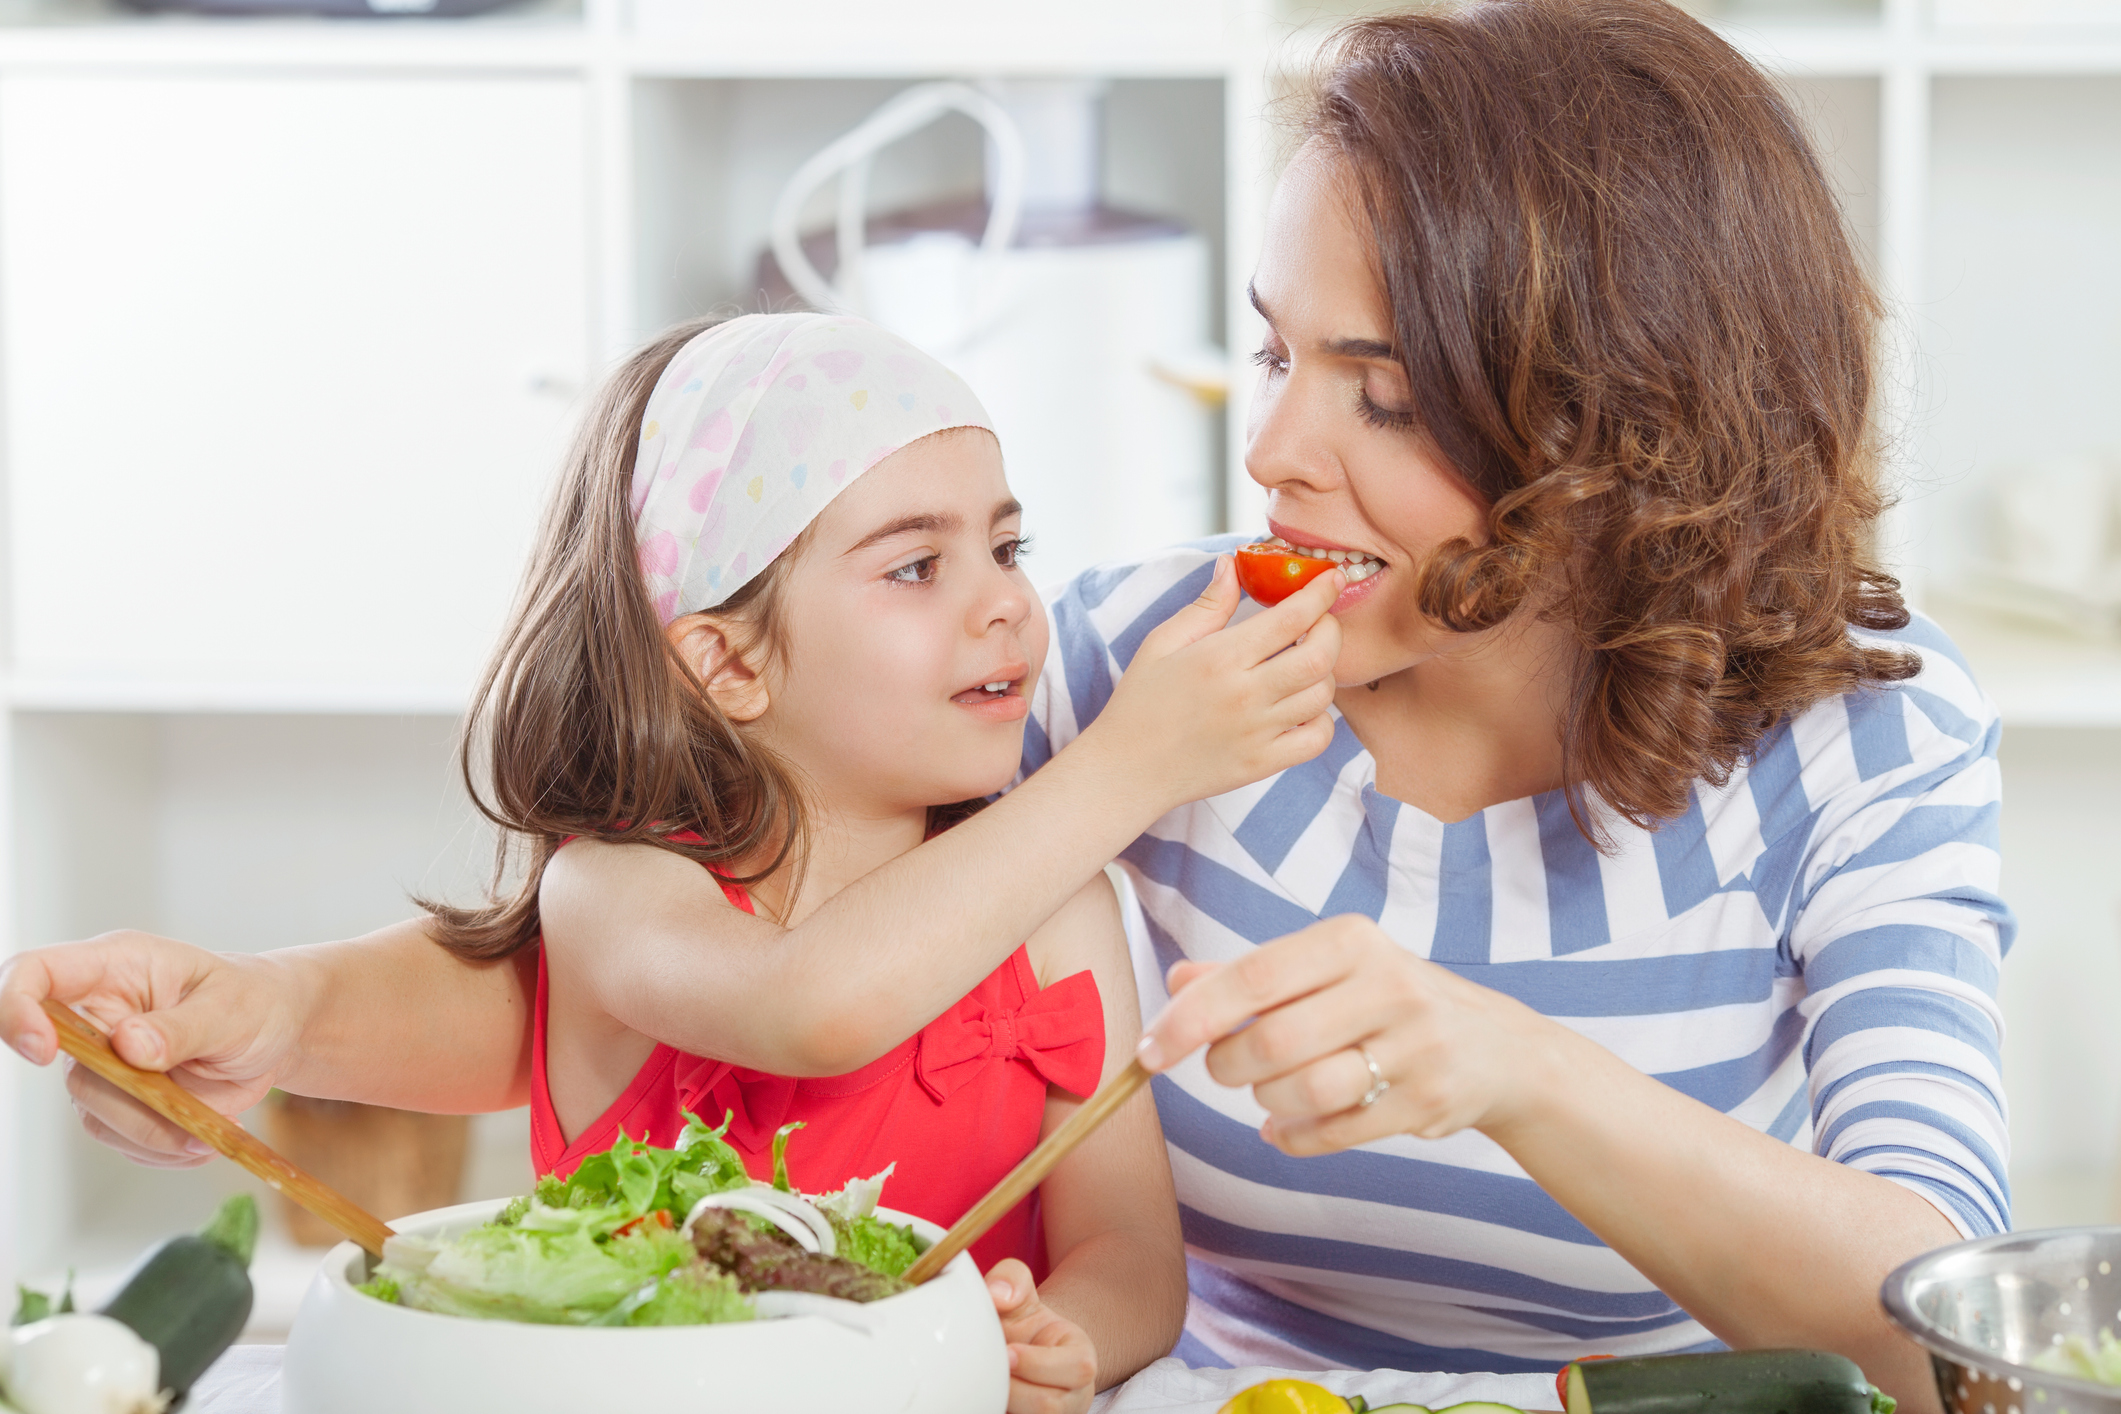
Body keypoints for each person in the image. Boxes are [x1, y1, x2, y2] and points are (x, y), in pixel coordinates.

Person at [3, 3, 2006, 1408]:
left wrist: (1521, 1070)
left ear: (1623, 432)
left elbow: (1956, 1343)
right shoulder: (1126, 670)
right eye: (1272, 354)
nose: (1280, 450)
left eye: (1380, 393)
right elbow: (668, 953)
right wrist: (265, 1010)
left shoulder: (1866, 745)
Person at [1, 310, 1350, 1414]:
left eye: (1004, 545)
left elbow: (1127, 1253)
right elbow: (811, 1006)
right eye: (912, 567)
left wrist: (1061, 1335)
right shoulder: (624, 886)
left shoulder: (1060, 909)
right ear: (728, 659)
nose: (1004, 597)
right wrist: (1128, 766)